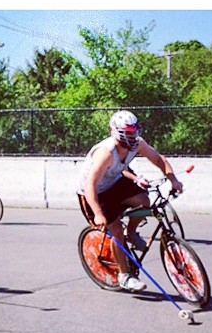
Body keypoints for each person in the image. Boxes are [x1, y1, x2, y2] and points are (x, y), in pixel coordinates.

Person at [77, 110, 184, 293]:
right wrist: (98, 214)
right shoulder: (105, 153)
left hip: (115, 182)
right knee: (116, 230)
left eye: (134, 132)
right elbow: (90, 186)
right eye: (128, 133)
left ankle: (132, 233)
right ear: (116, 132)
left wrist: (173, 179)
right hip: (94, 192)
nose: (132, 136)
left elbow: (159, 159)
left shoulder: (138, 144)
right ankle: (125, 276)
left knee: (145, 201)